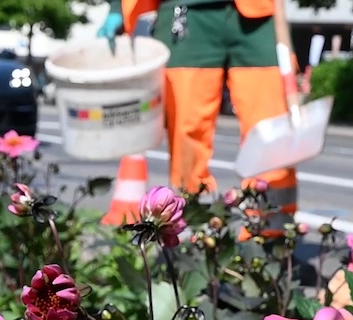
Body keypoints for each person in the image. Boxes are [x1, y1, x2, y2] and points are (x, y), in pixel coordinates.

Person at [96, 0, 299, 216]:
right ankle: (191, 226)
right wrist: (118, 6)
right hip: (187, 12)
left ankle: (270, 231)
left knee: (271, 129)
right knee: (187, 129)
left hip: (259, 13)